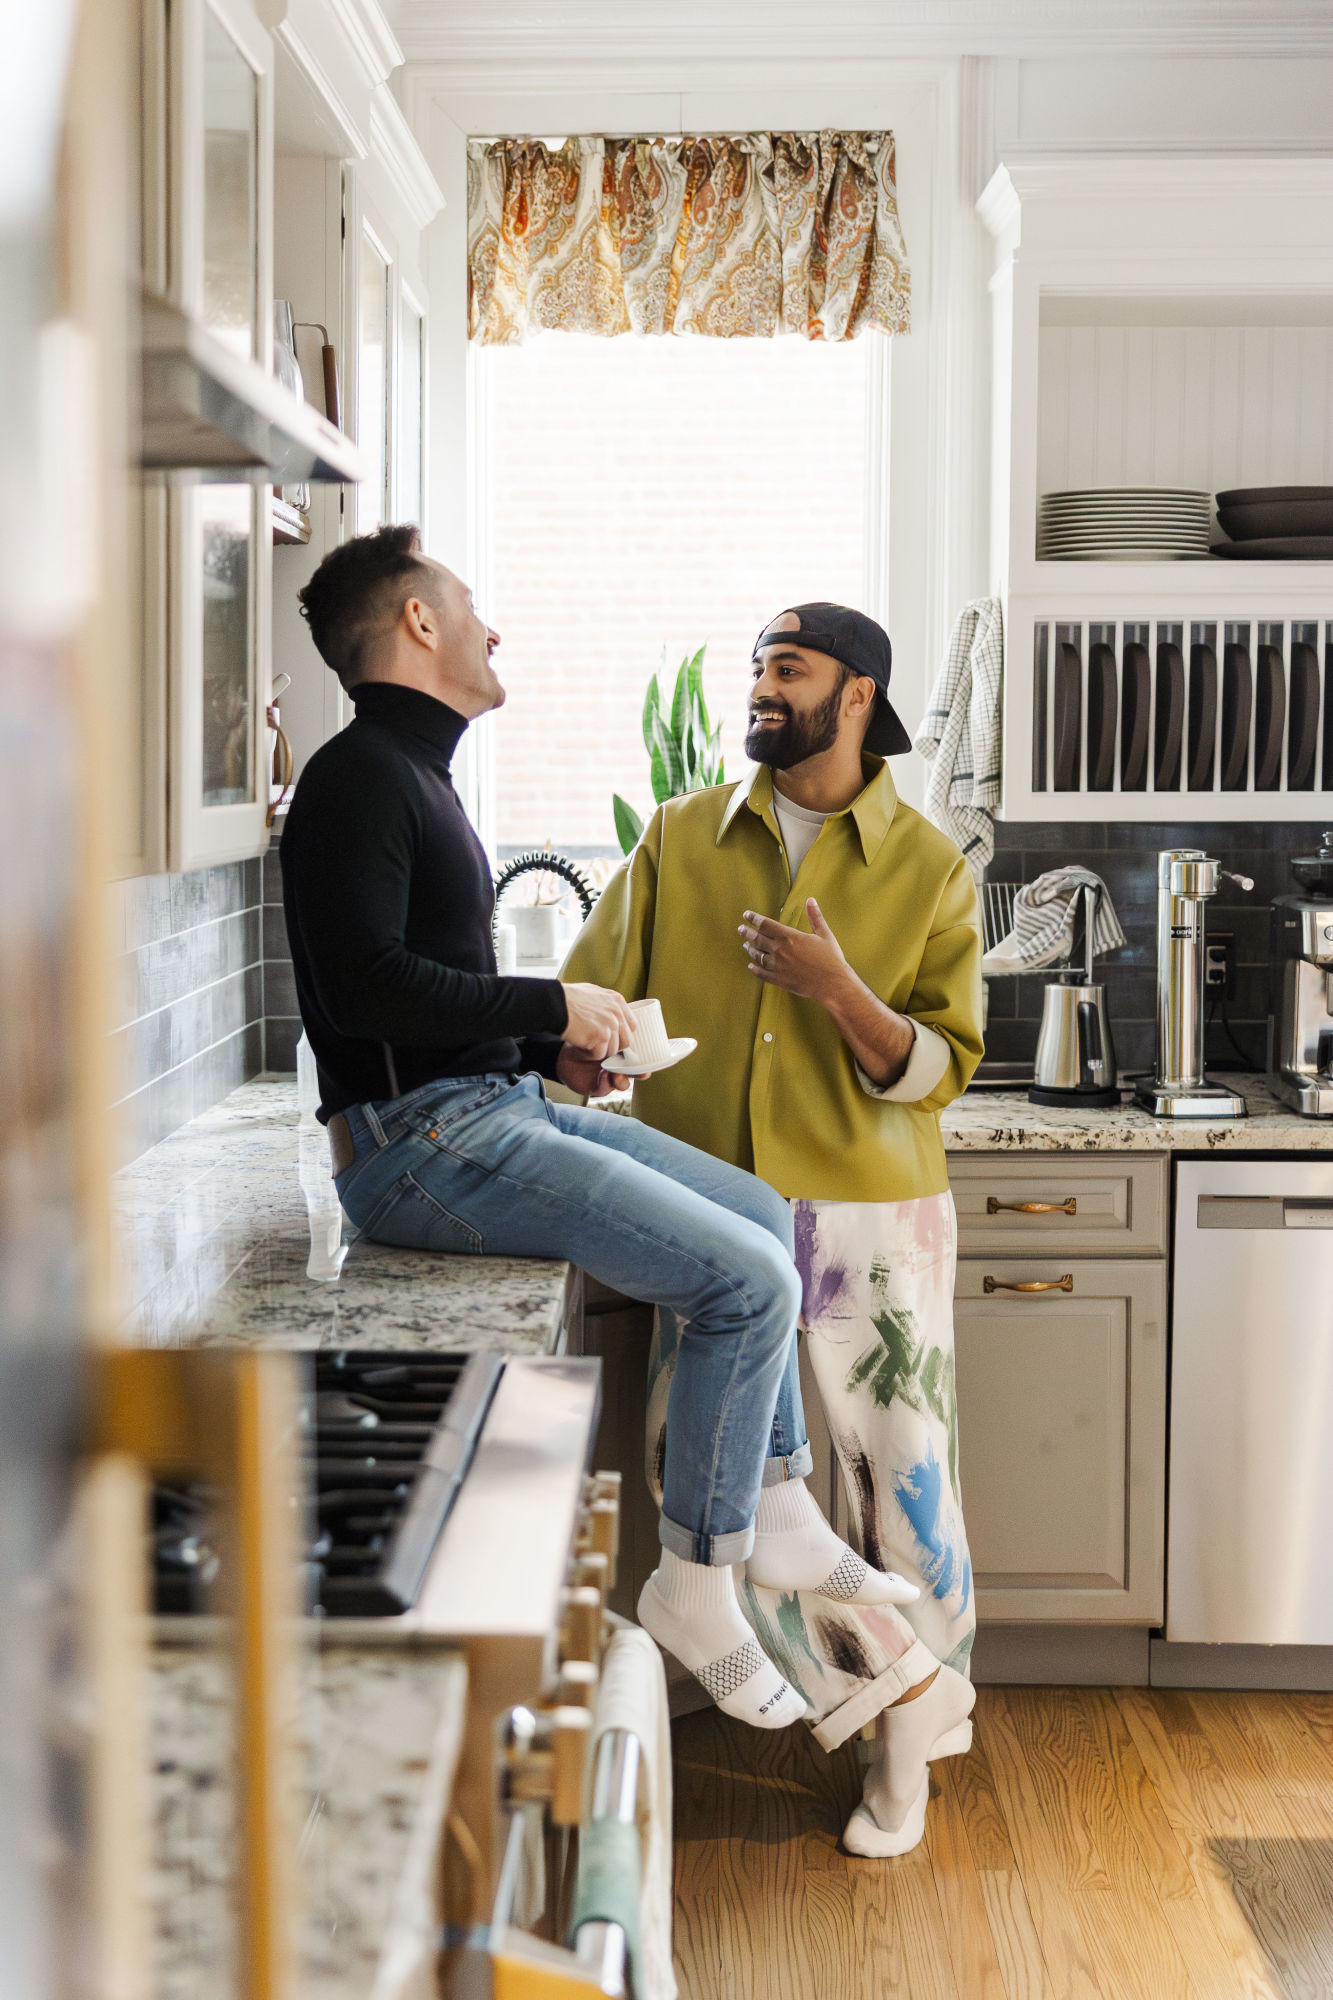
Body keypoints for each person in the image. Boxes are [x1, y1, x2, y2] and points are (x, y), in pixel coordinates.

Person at [280, 529, 909, 1732]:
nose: (491, 625)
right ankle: (695, 1579)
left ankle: (771, 1506)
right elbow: (364, 989)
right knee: (745, 1280)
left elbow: (412, 996)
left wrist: (540, 1048)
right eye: (468, 602)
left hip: (477, 1107)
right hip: (418, 1148)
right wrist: (549, 1002)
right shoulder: (362, 774)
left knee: (757, 1214)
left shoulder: (408, 775)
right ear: (417, 623)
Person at [562, 602, 985, 1857]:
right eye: (753, 664)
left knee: (899, 1490)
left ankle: (902, 1751)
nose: (759, 685)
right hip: (703, 1211)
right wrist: (595, 1056)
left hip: (871, 1217)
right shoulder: (682, 837)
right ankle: (910, 1691)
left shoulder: (929, 864)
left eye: (785, 667)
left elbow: (942, 1065)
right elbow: (595, 998)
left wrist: (839, 993)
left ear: (857, 695)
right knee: (716, 1491)